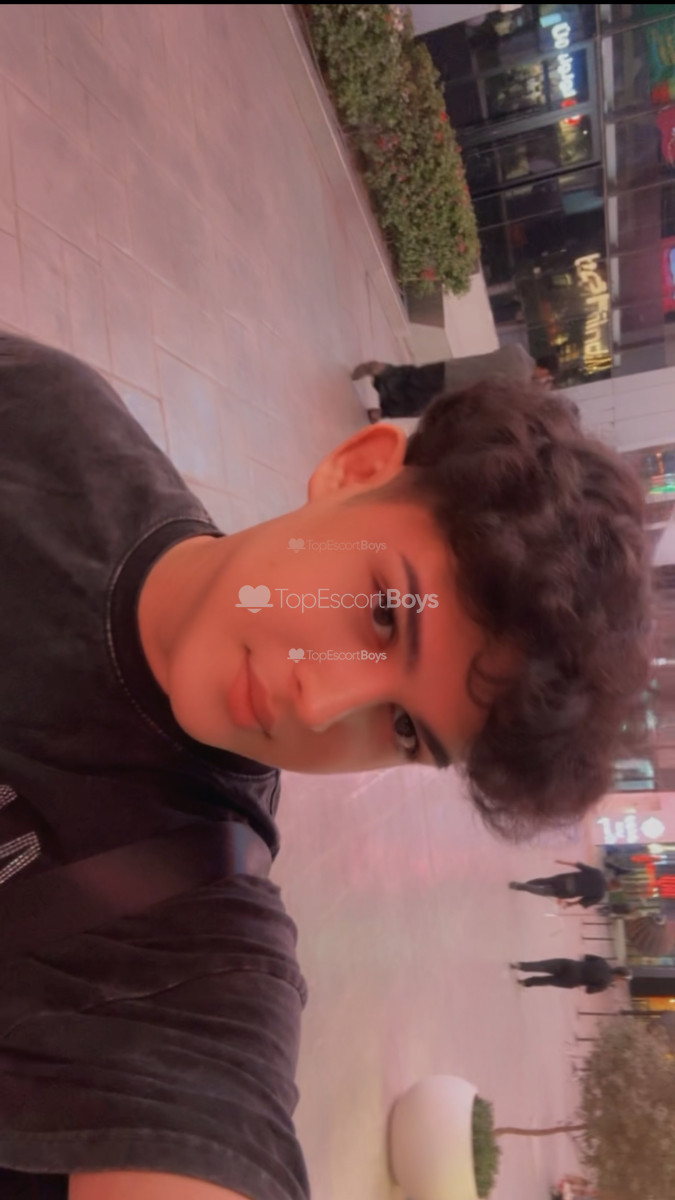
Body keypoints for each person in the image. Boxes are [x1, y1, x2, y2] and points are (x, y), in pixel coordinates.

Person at [0, 332, 651, 1198]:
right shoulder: (39, 417)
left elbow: (209, 1113)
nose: (319, 706)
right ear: (357, 469)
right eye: (382, 611)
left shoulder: (194, 941)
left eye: (404, 728)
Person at [351, 345, 559, 423]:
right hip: (455, 389)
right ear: (545, 372)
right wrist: (538, 387)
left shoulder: (516, 349)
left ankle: (383, 370)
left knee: (413, 376)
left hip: (451, 368)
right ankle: (378, 413)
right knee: (419, 406)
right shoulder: (521, 382)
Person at [509, 859, 617, 909]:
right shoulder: (600, 895)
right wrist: (570, 904)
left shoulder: (598, 873)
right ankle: (521, 886)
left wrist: (563, 862)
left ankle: (524, 885)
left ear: (610, 880)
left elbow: (579, 865)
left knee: (544, 881)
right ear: (612, 888)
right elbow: (583, 901)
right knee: (543, 891)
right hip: (568, 891)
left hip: (566, 879)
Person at [510, 957, 632, 992]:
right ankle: (525, 982)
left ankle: (520, 965)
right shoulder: (605, 983)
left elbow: (587, 957)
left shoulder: (603, 962)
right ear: (620, 977)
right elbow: (589, 990)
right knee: (548, 980)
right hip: (571, 980)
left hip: (571, 965)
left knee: (544, 965)